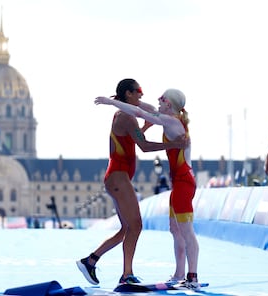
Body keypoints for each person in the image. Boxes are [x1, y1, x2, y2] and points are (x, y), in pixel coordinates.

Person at [76, 79, 189, 286]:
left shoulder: (125, 116)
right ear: (128, 94)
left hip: (117, 176)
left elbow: (131, 140)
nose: (141, 95)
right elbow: (143, 147)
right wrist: (173, 144)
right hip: (118, 176)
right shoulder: (126, 116)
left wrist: (144, 127)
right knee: (136, 225)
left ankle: (90, 261)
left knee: (126, 229)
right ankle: (126, 274)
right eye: (138, 91)